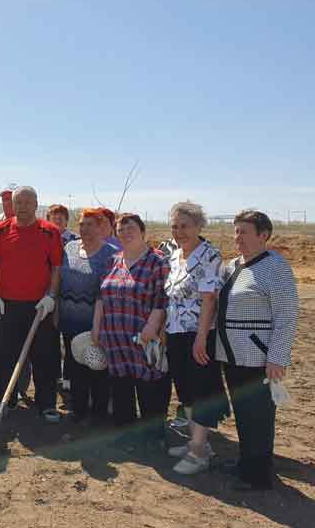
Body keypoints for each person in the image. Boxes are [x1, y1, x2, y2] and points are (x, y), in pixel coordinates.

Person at [215, 210, 298, 490]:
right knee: (243, 413)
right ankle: (245, 463)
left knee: (259, 417)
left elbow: (286, 317)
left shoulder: (276, 268)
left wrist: (277, 358)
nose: (238, 237)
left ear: (263, 235)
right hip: (232, 356)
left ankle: (259, 476)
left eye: (244, 232)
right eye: (236, 231)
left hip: (258, 358)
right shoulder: (232, 266)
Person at [0, 186, 63, 422]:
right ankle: (6, 400)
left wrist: (51, 296)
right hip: (7, 304)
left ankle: (47, 403)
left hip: (40, 306)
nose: (23, 206)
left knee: (44, 355)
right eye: (19, 202)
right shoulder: (1, 230)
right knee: (6, 354)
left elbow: (57, 268)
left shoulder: (50, 232)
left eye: (28, 202)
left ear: (36, 204)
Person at [162, 202, 231, 474]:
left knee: (202, 390)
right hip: (176, 333)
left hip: (198, 335)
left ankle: (199, 453)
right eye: (175, 226)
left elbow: (208, 299)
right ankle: (197, 441)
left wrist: (201, 338)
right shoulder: (174, 255)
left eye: (185, 226)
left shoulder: (209, 255)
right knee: (186, 391)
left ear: (199, 226)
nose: (179, 232)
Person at [92, 213, 170, 446]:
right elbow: (100, 297)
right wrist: (96, 328)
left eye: (130, 227)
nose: (125, 232)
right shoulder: (113, 261)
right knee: (121, 384)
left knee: (148, 383)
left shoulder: (157, 262)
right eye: (121, 229)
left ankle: (152, 435)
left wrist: (152, 326)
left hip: (143, 335)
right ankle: (125, 430)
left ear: (142, 231)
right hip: (113, 335)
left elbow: (162, 299)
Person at [58, 209, 118, 424]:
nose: (85, 229)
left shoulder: (109, 254)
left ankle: (99, 412)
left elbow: (109, 290)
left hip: (95, 323)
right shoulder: (70, 247)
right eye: (82, 224)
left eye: (90, 225)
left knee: (97, 367)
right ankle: (79, 409)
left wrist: (99, 325)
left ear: (101, 227)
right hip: (69, 321)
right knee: (75, 367)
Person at [0, 183, 32, 401]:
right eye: (5, 199)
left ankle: (19, 386)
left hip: (24, 294)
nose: (9, 203)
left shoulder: (34, 226)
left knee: (23, 342)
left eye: (11, 198)